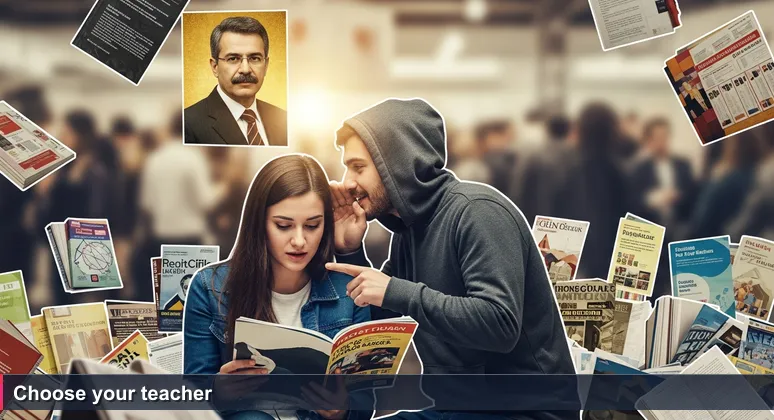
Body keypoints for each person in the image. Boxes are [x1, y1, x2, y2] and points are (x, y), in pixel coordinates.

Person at [327, 99, 576, 419]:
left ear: (397, 164)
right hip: (457, 409)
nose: (347, 181)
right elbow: (379, 325)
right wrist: (351, 249)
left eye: (358, 167)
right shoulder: (409, 234)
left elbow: (500, 324)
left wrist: (397, 290)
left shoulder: (478, 212)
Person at [183, 154, 371, 420]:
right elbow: (193, 396)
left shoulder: (348, 292)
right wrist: (218, 391)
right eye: (283, 226)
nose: (299, 240)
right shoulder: (210, 288)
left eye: (312, 225)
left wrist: (342, 410)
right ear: (259, 224)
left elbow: (365, 403)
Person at [184, 16, 287, 146]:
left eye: (254, 58)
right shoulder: (188, 124)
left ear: (266, 65)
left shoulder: (284, 119)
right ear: (215, 67)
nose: (245, 69)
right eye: (233, 59)